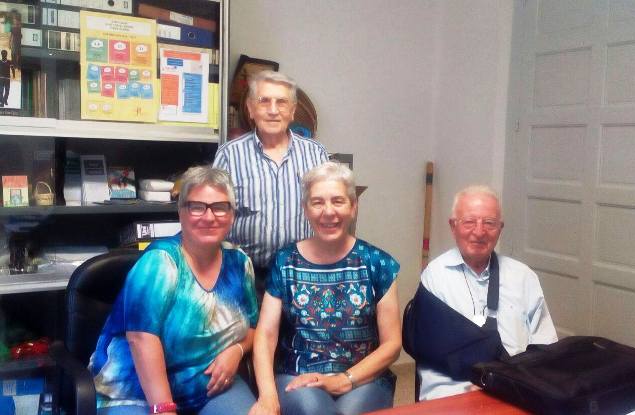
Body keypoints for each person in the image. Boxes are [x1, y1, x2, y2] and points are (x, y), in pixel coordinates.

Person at [89, 166, 258, 415]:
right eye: (197, 207)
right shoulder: (160, 262)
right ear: (181, 212)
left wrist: (237, 350)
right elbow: (141, 338)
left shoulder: (239, 263)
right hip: (135, 391)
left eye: (220, 207)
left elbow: (253, 327)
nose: (209, 217)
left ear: (232, 214)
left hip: (207, 388)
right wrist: (164, 408)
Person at [249, 162, 401, 415]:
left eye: (338, 201)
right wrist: (267, 396)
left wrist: (344, 380)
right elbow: (266, 335)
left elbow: (392, 344)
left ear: (353, 206)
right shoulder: (285, 262)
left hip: (362, 377)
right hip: (298, 376)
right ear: (305, 209)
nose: (328, 212)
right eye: (317, 202)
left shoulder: (378, 263)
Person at [416, 185, 557, 400]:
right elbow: (435, 354)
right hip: (455, 391)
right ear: (453, 226)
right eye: (469, 222)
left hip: (519, 389)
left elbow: (545, 346)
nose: (479, 231)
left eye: (489, 223)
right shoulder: (435, 276)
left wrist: (521, 384)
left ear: (500, 228)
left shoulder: (523, 277)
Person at [213, 70, 328, 295]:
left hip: (303, 274)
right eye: (264, 101)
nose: (273, 110)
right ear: (250, 109)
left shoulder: (316, 154)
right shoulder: (229, 155)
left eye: (281, 102)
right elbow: (215, 215)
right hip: (246, 276)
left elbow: (329, 211)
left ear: (292, 111)